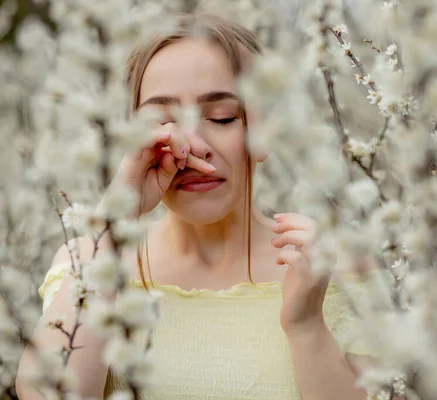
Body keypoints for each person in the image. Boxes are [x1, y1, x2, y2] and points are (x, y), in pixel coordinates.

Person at [16, 12, 376, 400]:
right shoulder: (89, 261)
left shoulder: (335, 267)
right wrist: (112, 224)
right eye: (163, 122)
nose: (193, 146)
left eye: (222, 118)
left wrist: (306, 326)